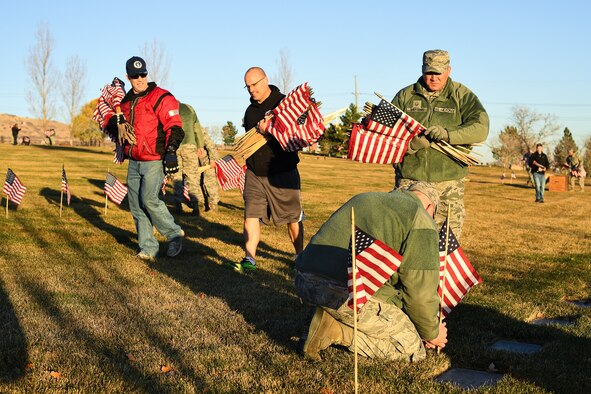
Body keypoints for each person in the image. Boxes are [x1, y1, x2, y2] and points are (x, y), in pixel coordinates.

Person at [294, 182, 447, 361]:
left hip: (303, 279)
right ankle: (336, 330)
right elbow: (420, 293)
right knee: (411, 348)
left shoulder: (366, 197)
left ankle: (325, 314)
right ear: (430, 207)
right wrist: (430, 332)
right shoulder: (421, 219)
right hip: (345, 293)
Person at [392, 49, 489, 239]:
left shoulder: (461, 95)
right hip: (410, 180)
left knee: (446, 243)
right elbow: (386, 136)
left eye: (438, 73)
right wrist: (412, 146)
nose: (434, 78)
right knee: (404, 238)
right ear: (422, 70)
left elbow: (481, 128)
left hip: (448, 184)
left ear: (448, 70)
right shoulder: (406, 96)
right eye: (429, 72)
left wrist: (448, 134)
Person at [107, 56, 185, 262]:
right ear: (128, 77)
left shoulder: (161, 97)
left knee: (149, 199)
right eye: (135, 76)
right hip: (134, 160)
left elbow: (175, 126)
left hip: (154, 159)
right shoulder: (124, 103)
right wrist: (112, 122)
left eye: (143, 74)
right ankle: (148, 248)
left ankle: (174, 234)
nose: (140, 79)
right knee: (136, 205)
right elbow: (119, 128)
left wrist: (170, 152)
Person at [227, 67, 303, 272]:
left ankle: (300, 257)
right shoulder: (250, 111)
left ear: (266, 80)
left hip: (282, 172)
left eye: (255, 84)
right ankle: (249, 259)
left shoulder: (285, 104)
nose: (252, 90)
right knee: (251, 215)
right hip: (254, 172)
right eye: (248, 86)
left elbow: (296, 135)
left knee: (292, 218)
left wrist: (269, 129)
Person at [174, 102, 220, 215]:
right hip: (193, 155)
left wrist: (214, 160)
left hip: (205, 160)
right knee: (191, 179)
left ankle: (211, 204)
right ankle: (195, 205)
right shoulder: (190, 113)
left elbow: (209, 145)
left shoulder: (201, 132)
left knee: (208, 182)